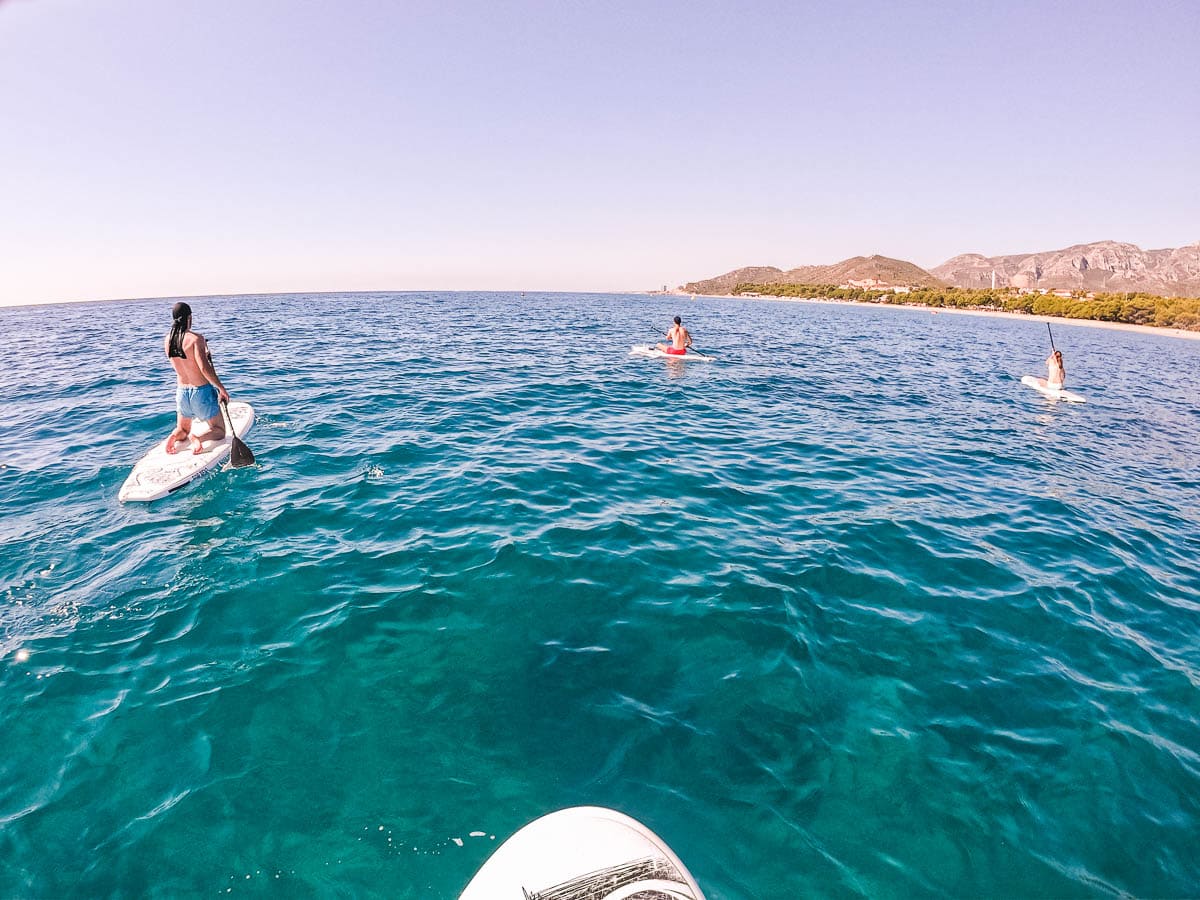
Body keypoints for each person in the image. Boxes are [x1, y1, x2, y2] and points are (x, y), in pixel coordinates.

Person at [163, 302, 230, 454]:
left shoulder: (167, 340)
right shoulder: (196, 339)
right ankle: (197, 437)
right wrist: (221, 389)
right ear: (189, 318)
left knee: (182, 430)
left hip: (182, 393)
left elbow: (184, 362)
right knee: (219, 431)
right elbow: (203, 368)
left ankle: (175, 436)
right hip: (201, 393)